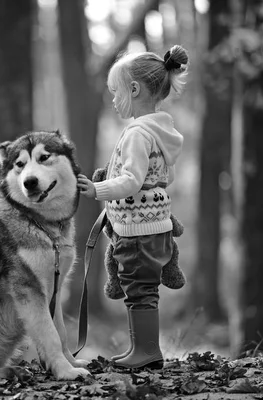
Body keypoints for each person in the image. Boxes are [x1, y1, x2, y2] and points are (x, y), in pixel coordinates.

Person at [77, 45, 189, 369]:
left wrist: (97, 188)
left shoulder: (138, 133)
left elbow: (132, 180)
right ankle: (142, 349)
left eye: (116, 92)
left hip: (139, 232)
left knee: (139, 290)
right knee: (139, 289)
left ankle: (147, 351)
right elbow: (154, 177)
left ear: (134, 90)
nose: (113, 99)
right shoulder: (158, 131)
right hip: (152, 227)